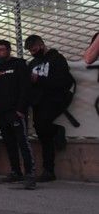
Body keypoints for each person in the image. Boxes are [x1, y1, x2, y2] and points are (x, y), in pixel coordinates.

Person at [0, 40, 36, 190]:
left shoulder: (19, 65)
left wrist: (21, 109)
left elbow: (25, 88)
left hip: (16, 113)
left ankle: (30, 175)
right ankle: (16, 172)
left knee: (23, 143)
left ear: (9, 50)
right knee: (9, 144)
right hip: (1, 115)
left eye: (2, 50)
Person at [25, 35, 74, 182]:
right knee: (42, 133)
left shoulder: (56, 59)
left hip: (55, 98)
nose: (32, 52)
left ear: (41, 45)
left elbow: (63, 81)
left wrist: (38, 79)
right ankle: (48, 170)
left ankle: (57, 130)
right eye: (30, 51)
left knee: (43, 126)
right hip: (39, 101)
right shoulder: (33, 63)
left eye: (34, 49)